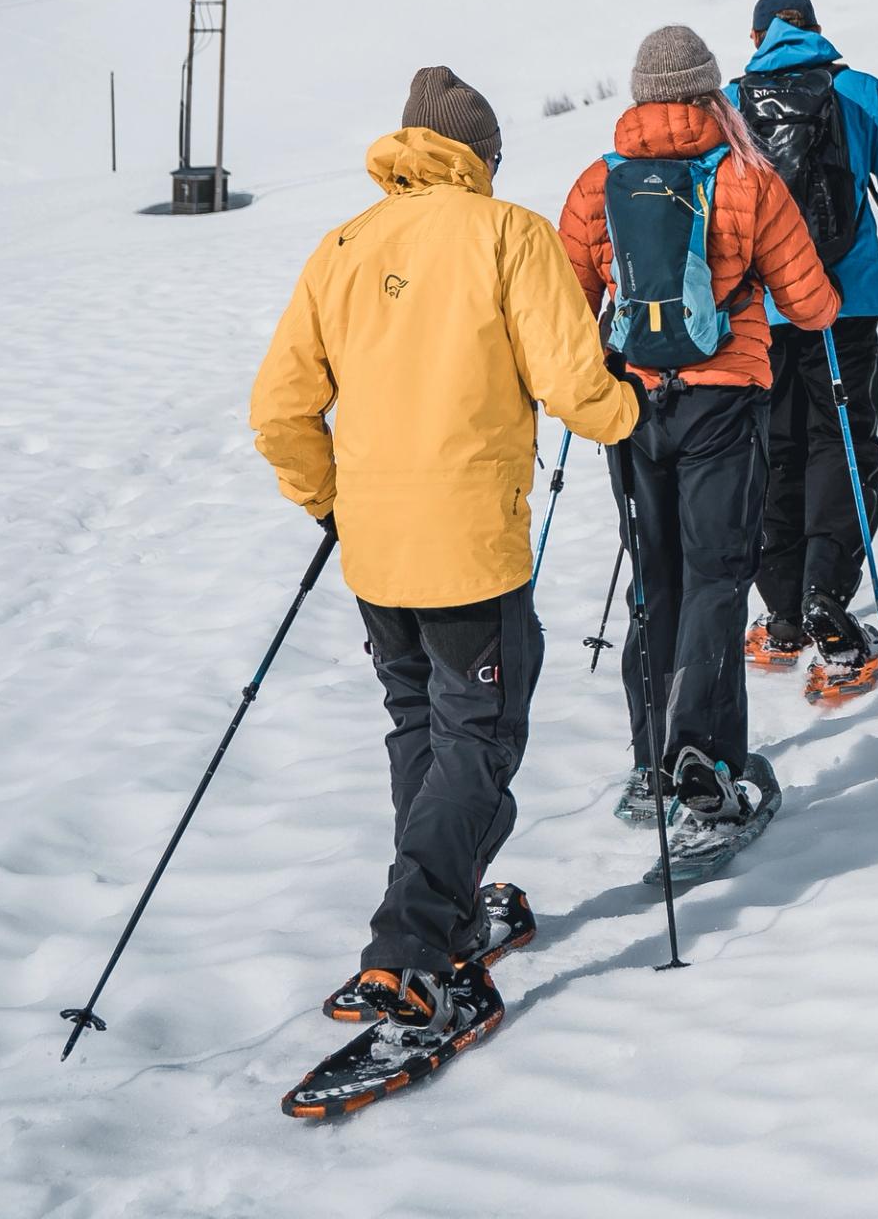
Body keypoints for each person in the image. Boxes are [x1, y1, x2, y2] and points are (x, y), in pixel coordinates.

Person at [248, 65, 636, 1113]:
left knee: (420, 721)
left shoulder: (341, 247)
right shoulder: (506, 233)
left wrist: (330, 500)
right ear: (480, 156)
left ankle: (443, 908)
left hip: (376, 551)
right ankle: (413, 949)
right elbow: (572, 382)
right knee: (480, 735)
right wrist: (624, 412)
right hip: (470, 551)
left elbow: (279, 408)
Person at [557, 22, 840, 870]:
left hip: (632, 408)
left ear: (641, 95)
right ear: (711, 91)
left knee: (659, 582)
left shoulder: (597, 183)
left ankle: (651, 764)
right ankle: (704, 767)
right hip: (724, 402)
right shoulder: (747, 179)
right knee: (718, 580)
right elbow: (813, 303)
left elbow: (566, 298)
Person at [727, 0, 878, 703]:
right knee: (843, 445)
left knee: (775, 449)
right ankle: (826, 600)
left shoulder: (731, 100)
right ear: (815, 29)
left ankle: (782, 615)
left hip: (761, 309)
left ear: (757, 39)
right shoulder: (858, 91)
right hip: (843, 309)